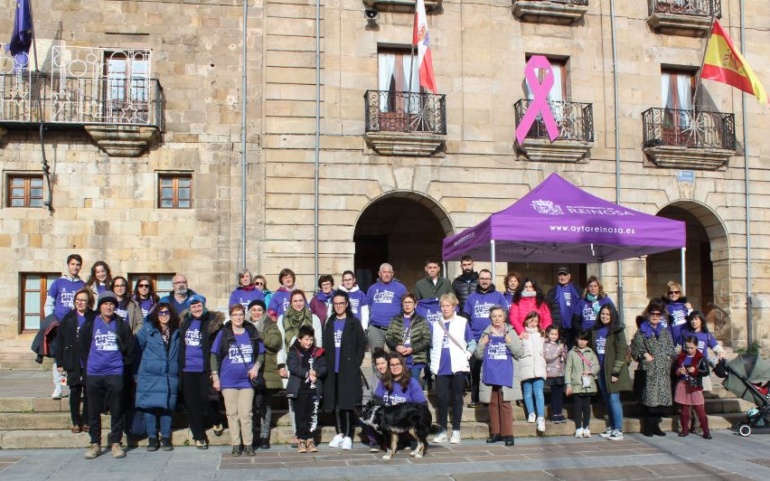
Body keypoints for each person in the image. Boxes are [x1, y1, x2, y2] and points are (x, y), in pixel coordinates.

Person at [78, 291, 135, 460]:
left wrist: (121, 366)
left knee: (117, 409)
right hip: (94, 373)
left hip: (115, 372)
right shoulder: (90, 323)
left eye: (111, 304)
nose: (108, 306)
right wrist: (89, 365)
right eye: (105, 303)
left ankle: (116, 442)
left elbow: (129, 348)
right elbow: (82, 347)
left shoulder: (121, 324)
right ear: (100, 306)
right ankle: (95, 443)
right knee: (93, 410)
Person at [210, 304, 265, 457]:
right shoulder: (223, 333)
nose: (238, 317)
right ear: (231, 316)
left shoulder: (251, 331)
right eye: (235, 315)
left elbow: (261, 352)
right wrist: (215, 377)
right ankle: (236, 444)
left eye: (240, 314)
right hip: (228, 380)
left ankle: (248, 444)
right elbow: (213, 355)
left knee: (246, 413)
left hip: (247, 380)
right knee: (232, 413)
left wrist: (256, 367)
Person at [32, 253, 85, 399]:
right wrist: (52, 321)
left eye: (78, 264)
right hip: (60, 327)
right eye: (73, 264)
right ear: (68, 265)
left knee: (76, 358)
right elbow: (49, 304)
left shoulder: (83, 285)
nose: (75, 267)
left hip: (76, 327)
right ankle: (58, 387)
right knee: (58, 357)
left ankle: (75, 387)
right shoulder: (58, 283)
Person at [178, 294, 225, 449]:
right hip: (187, 368)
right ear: (189, 309)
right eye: (193, 306)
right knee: (192, 404)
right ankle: (199, 436)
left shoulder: (212, 323)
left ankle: (216, 419)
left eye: (199, 306)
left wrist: (215, 369)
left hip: (205, 368)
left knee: (207, 399)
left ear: (204, 306)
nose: (196, 309)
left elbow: (218, 348)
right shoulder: (184, 322)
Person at [277, 289, 322, 448]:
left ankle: (309, 435)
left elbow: (319, 343)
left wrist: (316, 365)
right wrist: (281, 364)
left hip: (310, 366)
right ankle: (298, 434)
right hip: (293, 364)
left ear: (305, 302)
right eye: (295, 301)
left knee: (311, 404)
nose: (298, 303)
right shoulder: (283, 318)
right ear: (290, 302)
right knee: (294, 401)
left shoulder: (313, 318)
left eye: (301, 300)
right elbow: (281, 343)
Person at [430, 293, 476, 445]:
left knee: (457, 398)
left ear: (454, 306)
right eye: (442, 306)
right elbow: (432, 345)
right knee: (442, 398)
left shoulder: (462, 322)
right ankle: (442, 431)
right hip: (440, 367)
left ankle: (456, 431)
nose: (445, 308)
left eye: (448, 305)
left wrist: (467, 356)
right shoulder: (436, 324)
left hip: (457, 366)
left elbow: (472, 342)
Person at [474, 306, 524, 447]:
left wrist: (509, 342)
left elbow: (520, 352)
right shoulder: (486, 333)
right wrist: (482, 345)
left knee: (505, 403)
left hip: (506, 372)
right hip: (490, 372)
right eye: (494, 316)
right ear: (490, 318)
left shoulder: (511, 332)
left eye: (499, 316)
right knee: (493, 403)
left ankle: (508, 434)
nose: (497, 318)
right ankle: (496, 432)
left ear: (504, 317)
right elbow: (478, 355)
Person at [324, 290, 367, 450]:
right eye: (335, 304)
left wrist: (356, 362)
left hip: (348, 369)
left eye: (341, 303)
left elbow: (361, 345)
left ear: (347, 304)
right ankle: (339, 434)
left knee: (347, 403)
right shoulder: (330, 322)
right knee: (335, 403)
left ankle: (348, 435)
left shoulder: (354, 323)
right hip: (332, 369)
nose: (338, 306)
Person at [135, 303, 180, 452]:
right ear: (156, 315)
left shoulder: (176, 332)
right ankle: (152, 437)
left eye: (166, 312)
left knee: (168, 406)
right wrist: (137, 371)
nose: (164, 315)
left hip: (169, 374)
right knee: (149, 407)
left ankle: (165, 437)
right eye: (160, 313)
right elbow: (136, 349)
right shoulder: (148, 330)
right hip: (150, 373)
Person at [630, 299, 676, 437]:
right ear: (648, 314)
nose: (655, 316)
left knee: (660, 402)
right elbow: (634, 350)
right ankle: (648, 427)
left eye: (658, 314)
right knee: (649, 401)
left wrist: (668, 357)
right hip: (649, 371)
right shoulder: (641, 332)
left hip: (662, 371)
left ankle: (656, 426)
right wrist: (644, 354)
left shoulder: (665, 332)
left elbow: (671, 349)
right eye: (652, 314)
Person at [463, 269, 507, 408]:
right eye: (482, 278)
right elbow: (466, 319)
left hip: (494, 338)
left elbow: (504, 317)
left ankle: (491, 400)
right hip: (476, 339)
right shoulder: (471, 297)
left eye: (487, 278)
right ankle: (475, 399)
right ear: (478, 280)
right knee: (475, 370)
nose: (485, 281)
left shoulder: (498, 296)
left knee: (492, 370)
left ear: (491, 280)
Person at [55, 287, 95, 434]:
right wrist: (59, 362)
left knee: (89, 392)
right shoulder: (68, 318)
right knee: (75, 391)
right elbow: (60, 341)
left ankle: (86, 421)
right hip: (72, 360)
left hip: (89, 361)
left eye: (83, 300)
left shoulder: (94, 317)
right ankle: (75, 422)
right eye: (78, 300)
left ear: (89, 302)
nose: (80, 303)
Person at [679, 310, 725, 434]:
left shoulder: (706, 335)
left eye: (696, 319)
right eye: (692, 319)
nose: (694, 322)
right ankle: (686, 425)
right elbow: (678, 348)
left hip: (700, 369)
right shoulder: (685, 333)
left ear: (701, 321)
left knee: (698, 400)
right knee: (686, 400)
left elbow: (715, 347)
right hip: (687, 370)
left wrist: (720, 353)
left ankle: (698, 425)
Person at [592, 304, 631, 441]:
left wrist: (616, 372)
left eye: (607, 314)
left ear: (612, 316)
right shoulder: (596, 330)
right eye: (603, 314)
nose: (604, 316)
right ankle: (612, 426)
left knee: (614, 399)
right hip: (601, 370)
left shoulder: (617, 331)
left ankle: (618, 429)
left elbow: (621, 352)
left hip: (613, 371)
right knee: (607, 399)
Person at [286, 325, 327, 454]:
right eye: (306, 339)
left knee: (312, 415)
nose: (309, 342)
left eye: (310, 339)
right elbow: (293, 367)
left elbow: (324, 367)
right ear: (299, 339)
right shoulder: (294, 351)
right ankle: (302, 439)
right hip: (300, 389)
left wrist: (317, 373)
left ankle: (310, 439)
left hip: (313, 389)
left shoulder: (318, 352)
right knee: (301, 415)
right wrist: (307, 374)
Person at [248, 299, 281, 449]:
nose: (256, 313)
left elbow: (275, 343)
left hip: (266, 371)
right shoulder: (244, 326)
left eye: (259, 310)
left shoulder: (270, 326)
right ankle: (254, 434)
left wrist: (260, 335)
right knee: (252, 405)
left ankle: (264, 435)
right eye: (253, 309)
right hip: (248, 372)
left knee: (265, 404)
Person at [385, 292, 431, 387]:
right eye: (405, 302)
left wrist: (412, 349)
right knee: (399, 385)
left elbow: (426, 339)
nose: (407, 305)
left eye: (410, 302)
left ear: (415, 304)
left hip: (415, 359)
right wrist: (397, 346)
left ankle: (415, 402)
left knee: (413, 385)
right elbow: (388, 337)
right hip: (399, 358)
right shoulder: (395, 319)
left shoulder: (421, 320)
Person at [674, 335, 712, 439]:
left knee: (700, 409)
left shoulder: (700, 357)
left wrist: (695, 371)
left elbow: (706, 371)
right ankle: (685, 429)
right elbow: (675, 369)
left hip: (695, 385)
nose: (689, 350)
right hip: (683, 383)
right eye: (687, 347)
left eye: (691, 348)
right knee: (684, 410)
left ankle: (706, 430)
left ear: (696, 346)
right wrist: (679, 371)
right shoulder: (681, 356)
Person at [565, 330, 600, 439]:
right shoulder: (572, 353)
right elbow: (568, 369)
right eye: (580, 339)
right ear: (576, 339)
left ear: (588, 341)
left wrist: (590, 371)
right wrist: (568, 384)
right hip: (576, 384)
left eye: (584, 340)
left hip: (588, 384)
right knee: (577, 407)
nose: (582, 342)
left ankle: (586, 427)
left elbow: (597, 366)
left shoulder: (591, 352)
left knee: (586, 407)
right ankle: (578, 428)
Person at [366, 263, 407, 353]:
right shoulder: (372, 288)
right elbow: (367, 307)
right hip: (375, 328)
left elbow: (406, 305)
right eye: (384, 272)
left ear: (392, 274)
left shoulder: (400, 288)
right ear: (379, 273)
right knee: (377, 357)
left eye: (389, 272)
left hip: (394, 328)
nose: (387, 274)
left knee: (395, 357)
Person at [518, 311, 547, 433]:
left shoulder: (541, 335)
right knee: (527, 393)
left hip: (539, 367)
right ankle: (531, 412)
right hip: (525, 367)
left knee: (539, 393)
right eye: (531, 320)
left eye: (535, 321)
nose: (533, 323)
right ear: (526, 321)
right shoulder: (522, 334)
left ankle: (541, 416)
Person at [361, 348, 389, 452]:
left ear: (387, 362)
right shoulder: (371, 379)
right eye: (378, 364)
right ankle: (374, 441)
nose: (381, 366)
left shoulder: (394, 376)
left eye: (383, 363)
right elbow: (366, 397)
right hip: (377, 411)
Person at [546, 266, 580, 346]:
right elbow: (548, 307)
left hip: (573, 327)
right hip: (558, 327)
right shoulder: (553, 291)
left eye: (564, 275)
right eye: (560, 275)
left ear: (569, 276)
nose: (562, 277)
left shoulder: (577, 289)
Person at [543, 325, 567, 424]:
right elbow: (548, 357)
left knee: (559, 394)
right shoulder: (546, 344)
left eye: (556, 334)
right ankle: (554, 413)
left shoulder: (560, 344)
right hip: (551, 372)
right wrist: (559, 350)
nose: (554, 336)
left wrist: (564, 351)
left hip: (560, 372)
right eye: (552, 334)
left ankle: (559, 412)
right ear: (548, 334)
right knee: (553, 394)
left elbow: (565, 357)